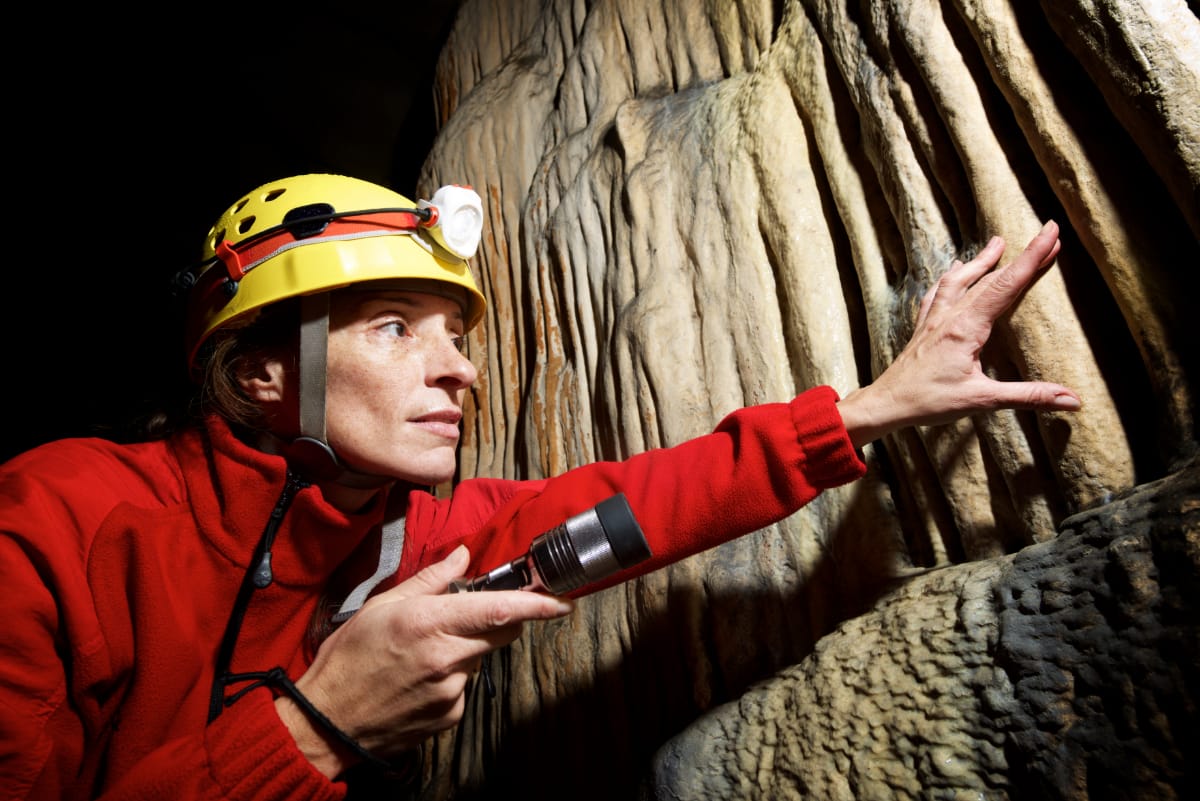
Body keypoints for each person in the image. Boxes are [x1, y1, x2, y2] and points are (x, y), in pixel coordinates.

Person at [0, 173, 1080, 800]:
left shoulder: (410, 535)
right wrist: (314, 726)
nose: (460, 368)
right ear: (263, 373)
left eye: (456, 334)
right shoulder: (53, 521)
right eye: (393, 328)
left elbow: (642, 505)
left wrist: (872, 410)